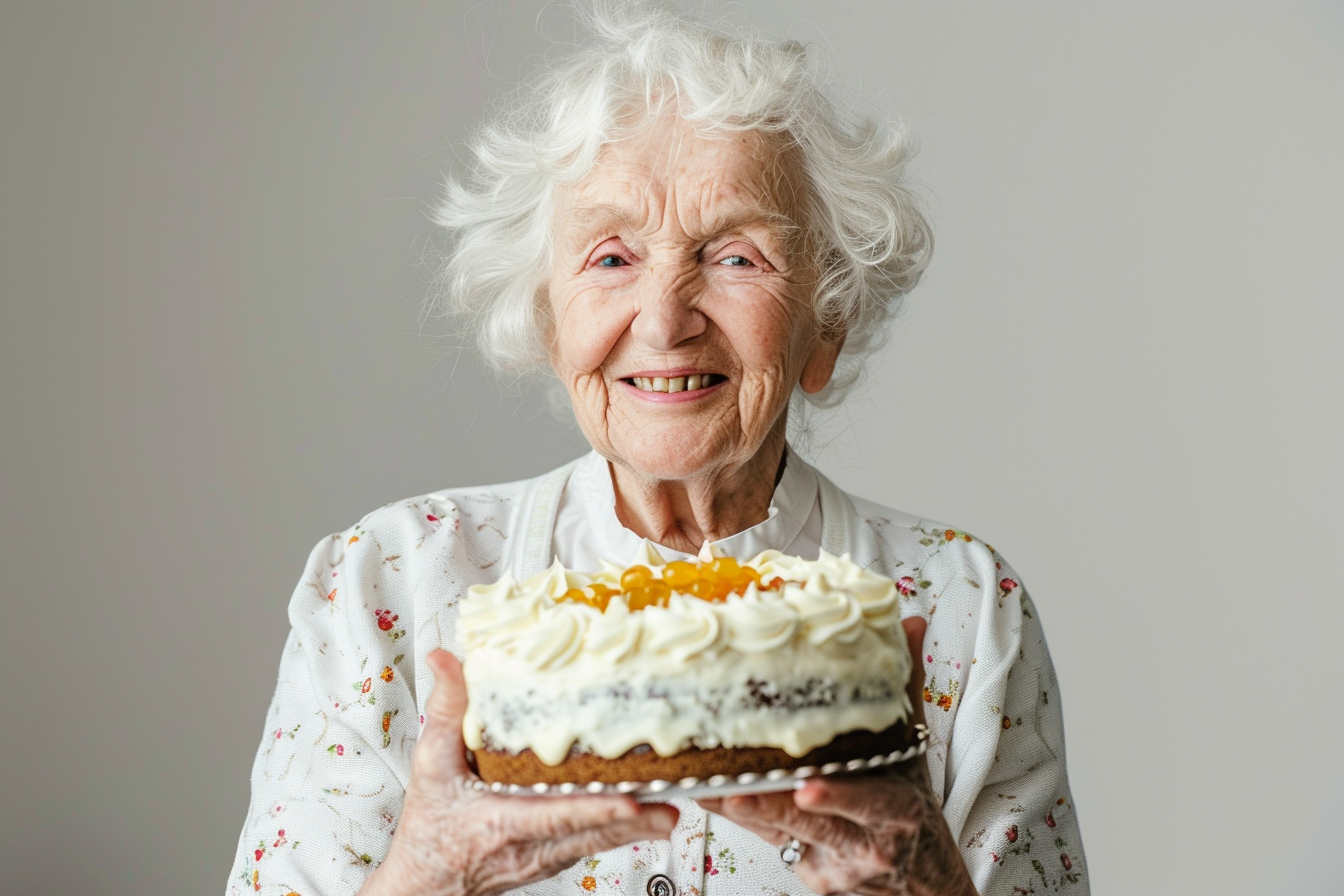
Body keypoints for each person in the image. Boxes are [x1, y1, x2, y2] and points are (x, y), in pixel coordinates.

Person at [227, 4, 1088, 895]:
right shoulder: (385, 584)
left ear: (825, 323)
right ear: (548, 318)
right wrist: (429, 875)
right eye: (610, 258)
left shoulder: (963, 607)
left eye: (737, 257)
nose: (666, 321)